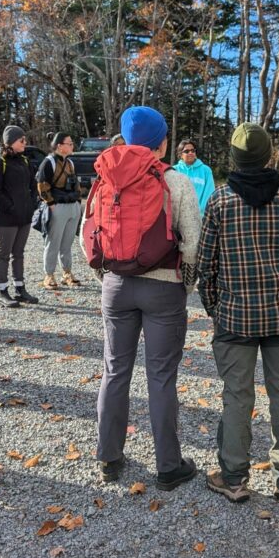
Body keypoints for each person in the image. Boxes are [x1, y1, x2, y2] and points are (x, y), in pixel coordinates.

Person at [198, 123, 279, 503]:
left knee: (237, 395)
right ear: (268, 156)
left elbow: (206, 266)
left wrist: (217, 307)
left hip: (235, 317)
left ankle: (233, 477)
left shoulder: (220, 201)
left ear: (234, 158)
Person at [88, 106, 202, 491]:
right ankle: (169, 466)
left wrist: (107, 276)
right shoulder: (175, 180)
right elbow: (193, 241)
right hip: (163, 286)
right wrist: (184, 284)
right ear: (163, 141)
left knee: (115, 370)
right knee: (161, 376)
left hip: (116, 284)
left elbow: (90, 233)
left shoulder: (105, 177)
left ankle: (108, 457)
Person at [0, 125, 40, 308]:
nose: (25, 143)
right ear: (10, 142)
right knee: (4, 254)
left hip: (24, 217)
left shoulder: (24, 161)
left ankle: (20, 289)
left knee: (18, 254)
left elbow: (33, 185)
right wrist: (11, 207)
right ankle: (2, 291)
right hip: (6, 218)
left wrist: (32, 203)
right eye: (22, 140)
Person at [36, 132, 83, 290]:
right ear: (59, 146)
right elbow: (41, 185)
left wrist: (78, 201)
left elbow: (75, 182)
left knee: (67, 243)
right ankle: (49, 275)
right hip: (58, 206)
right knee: (53, 243)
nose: (72, 146)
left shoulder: (70, 163)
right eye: (69, 143)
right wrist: (50, 204)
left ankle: (67, 273)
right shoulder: (49, 162)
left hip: (72, 206)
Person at [173, 139, 215, 215]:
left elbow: (209, 193)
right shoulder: (174, 170)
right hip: (179, 216)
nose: (190, 153)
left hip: (200, 217)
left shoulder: (206, 170)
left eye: (193, 150)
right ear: (180, 154)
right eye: (186, 151)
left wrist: (200, 212)